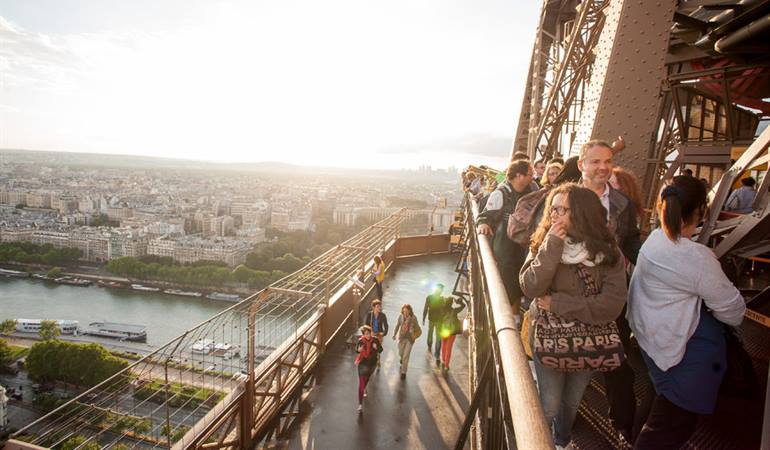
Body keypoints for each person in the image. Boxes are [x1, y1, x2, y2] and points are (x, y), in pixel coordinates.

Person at [628, 176, 745, 449]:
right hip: (683, 360)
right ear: (699, 212)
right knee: (667, 430)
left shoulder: (654, 241)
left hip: (652, 344)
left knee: (659, 407)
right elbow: (734, 313)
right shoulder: (695, 258)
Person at [520, 183, 628, 449]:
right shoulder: (545, 243)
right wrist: (552, 247)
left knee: (571, 402)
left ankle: (562, 439)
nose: (554, 215)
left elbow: (611, 306)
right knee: (549, 403)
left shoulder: (609, 254)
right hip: (549, 338)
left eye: (562, 209)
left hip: (588, 341)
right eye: (552, 208)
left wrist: (558, 303)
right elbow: (530, 286)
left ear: (582, 213)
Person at [578, 139, 642, 440]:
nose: (603, 167)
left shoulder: (622, 203)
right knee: (573, 356)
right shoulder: (564, 199)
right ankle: (568, 416)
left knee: (616, 358)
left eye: (608, 161)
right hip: (575, 294)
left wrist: (637, 263)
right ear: (582, 165)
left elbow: (630, 238)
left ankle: (623, 423)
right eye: (596, 162)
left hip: (611, 294)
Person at [477, 159, 534, 313]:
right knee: (508, 280)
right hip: (506, 248)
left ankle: (514, 316)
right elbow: (485, 215)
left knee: (517, 280)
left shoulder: (531, 191)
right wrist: (483, 223)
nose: (532, 177)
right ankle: (508, 316)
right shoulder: (501, 194)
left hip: (521, 246)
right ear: (519, 176)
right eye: (529, 174)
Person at [355, 325, 383, 412]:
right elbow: (356, 349)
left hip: (372, 364)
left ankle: (364, 389)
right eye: (366, 334)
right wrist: (358, 350)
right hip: (362, 364)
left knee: (366, 380)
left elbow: (381, 349)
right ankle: (360, 404)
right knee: (361, 384)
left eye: (369, 333)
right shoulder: (361, 341)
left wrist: (376, 347)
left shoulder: (375, 340)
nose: (368, 335)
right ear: (363, 334)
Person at [392, 304, 419, 379]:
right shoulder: (400, 317)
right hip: (401, 338)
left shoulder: (413, 318)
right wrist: (394, 334)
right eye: (404, 311)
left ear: (409, 311)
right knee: (401, 353)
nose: (405, 313)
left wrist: (414, 334)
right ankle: (402, 359)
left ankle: (404, 372)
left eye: (407, 311)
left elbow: (418, 329)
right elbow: (397, 325)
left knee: (406, 355)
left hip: (410, 339)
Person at [439, 296, 465, 371]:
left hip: (444, 330)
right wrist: (458, 302)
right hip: (452, 331)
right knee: (449, 348)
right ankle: (447, 365)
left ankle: (443, 361)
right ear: (451, 303)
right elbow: (463, 306)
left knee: (443, 345)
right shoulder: (454, 311)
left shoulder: (442, 310)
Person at [423, 283, 447, 366]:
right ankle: (436, 355)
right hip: (437, 320)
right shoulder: (441, 299)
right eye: (441, 290)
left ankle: (431, 346)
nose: (441, 291)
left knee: (432, 334)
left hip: (433, 320)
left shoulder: (430, 297)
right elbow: (444, 311)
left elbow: (426, 308)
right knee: (437, 337)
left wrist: (423, 318)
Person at [364, 299, 388, 367]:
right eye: (377, 306)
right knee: (371, 348)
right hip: (371, 334)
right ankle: (371, 361)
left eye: (379, 306)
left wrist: (384, 333)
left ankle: (378, 360)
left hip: (379, 334)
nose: (379, 308)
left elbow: (386, 325)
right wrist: (368, 333)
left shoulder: (382, 315)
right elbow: (366, 325)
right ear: (374, 307)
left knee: (377, 349)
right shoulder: (369, 314)